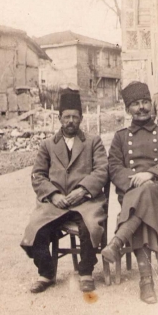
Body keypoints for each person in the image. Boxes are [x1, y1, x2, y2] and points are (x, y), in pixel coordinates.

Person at [102, 81, 158, 304]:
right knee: (142, 202)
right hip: (133, 191)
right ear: (128, 109)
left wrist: (150, 174)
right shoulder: (120, 137)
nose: (142, 108)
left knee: (144, 196)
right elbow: (114, 167)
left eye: (145, 102)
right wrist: (134, 180)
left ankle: (118, 242)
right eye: (136, 104)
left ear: (151, 104)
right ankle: (146, 281)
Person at [21, 89, 108, 294]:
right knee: (36, 229)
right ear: (59, 118)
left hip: (85, 202)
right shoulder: (47, 145)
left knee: (89, 227)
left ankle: (85, 273)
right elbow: (38, 175)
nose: (70, 121)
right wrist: (53, 195)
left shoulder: (93, 142)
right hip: (56, 203)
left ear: (81, 118)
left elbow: (102, 170)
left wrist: (83, 190)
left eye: (75, 117)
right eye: (66, 117)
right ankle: (46, 273)